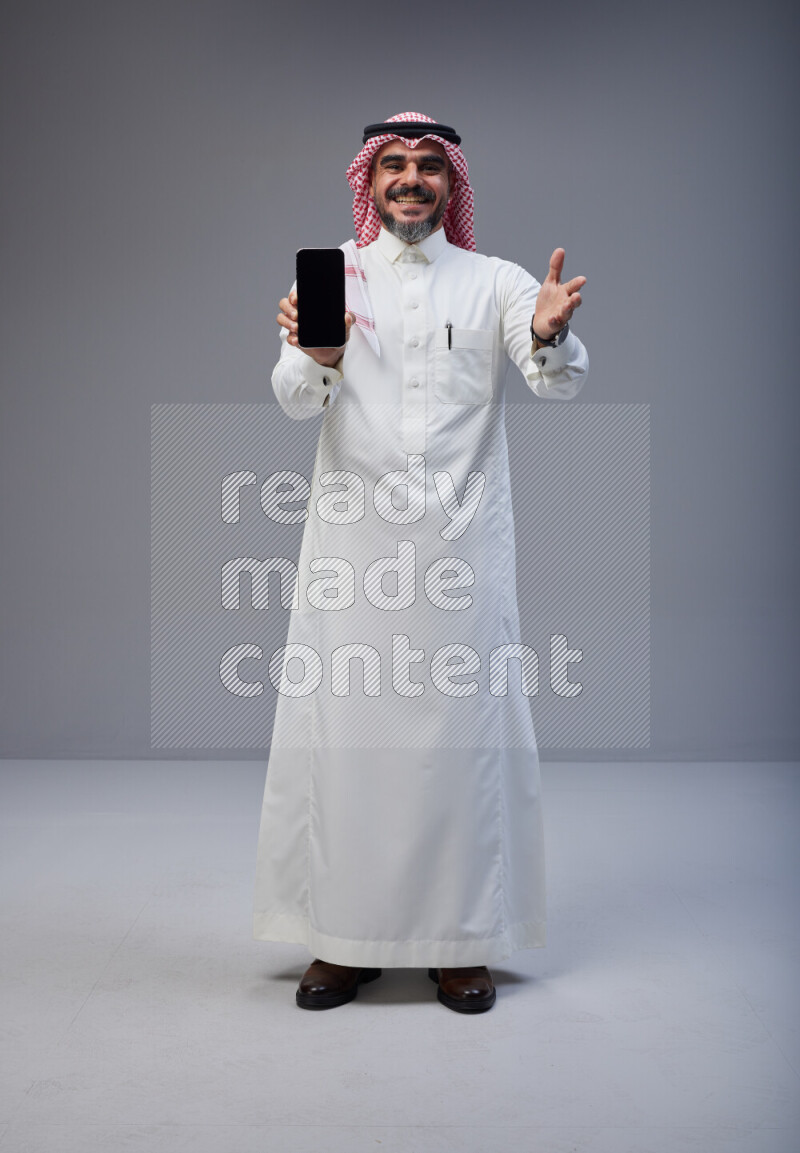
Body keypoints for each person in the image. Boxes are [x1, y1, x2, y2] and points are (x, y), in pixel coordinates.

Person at [253, 112, 588, 1013]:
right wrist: (317, 354)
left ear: (452, 184)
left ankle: (459, 944)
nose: (410, 179)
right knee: (349, 746)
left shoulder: (497, 282)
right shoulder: (334, 274)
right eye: (393, 165)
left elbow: (555, 376)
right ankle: (341, 941)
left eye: (428, 166)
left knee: (457, 744)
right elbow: (292, 398)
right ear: (370, 180)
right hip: (352, 552)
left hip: (460, 551)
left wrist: (551, 334)